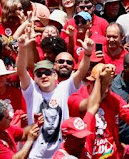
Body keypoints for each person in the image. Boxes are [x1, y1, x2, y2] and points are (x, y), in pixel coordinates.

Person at [16, 27, 95, 158]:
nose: (43, 76)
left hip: (60, 154)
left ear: (55, 75)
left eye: (47, 72)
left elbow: (81, 72)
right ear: (35, 78)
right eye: (39, 74)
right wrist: (22, 48)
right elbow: (21, 71)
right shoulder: (32, 91)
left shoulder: (64, 88)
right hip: (36, 156)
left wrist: (87, 53)